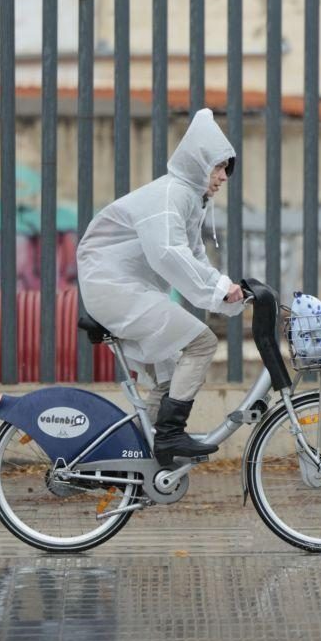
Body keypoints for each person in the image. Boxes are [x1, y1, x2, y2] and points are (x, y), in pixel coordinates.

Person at [76, 108, 246, 467]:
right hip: (114, 287)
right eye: (218, 167)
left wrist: (230, 293)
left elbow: (195, 258)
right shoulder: (170, 196)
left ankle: (141, 464)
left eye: (227, 169)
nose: (223, 177)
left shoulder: (188, 200)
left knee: (170, 377)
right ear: (198, 163)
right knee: (202, 343)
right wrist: (218, 289)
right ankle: (168, 437)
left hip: (127, 288)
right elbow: (169, 254)